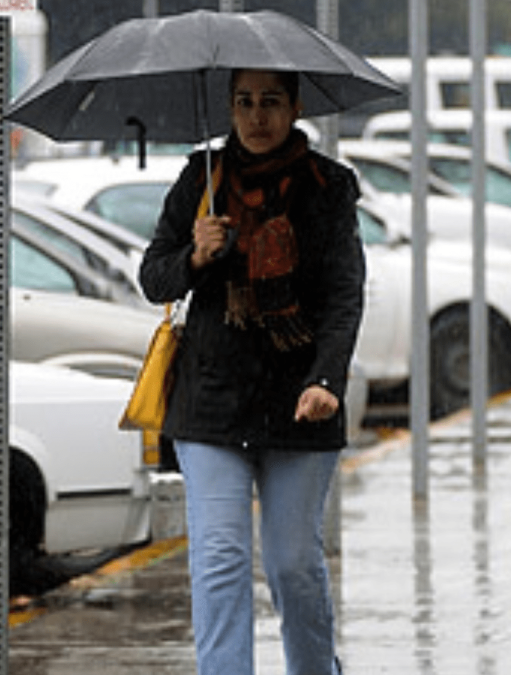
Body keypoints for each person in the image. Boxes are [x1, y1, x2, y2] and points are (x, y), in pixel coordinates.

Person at [138, 69, 365, 675]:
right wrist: (195, 253)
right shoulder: (201, 180)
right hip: (211, 402)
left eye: (270, 102)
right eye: (243, 102)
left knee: (292, 563)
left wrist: (326, 381)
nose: (256, 116)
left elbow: (345, 296)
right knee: (220, 558)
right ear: (230, 109)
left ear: (294, 107)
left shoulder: (328, 187)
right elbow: (153, 277)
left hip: (299, 400)